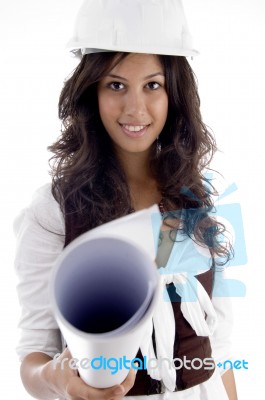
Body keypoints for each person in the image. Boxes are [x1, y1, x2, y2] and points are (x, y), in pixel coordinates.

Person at [14, 0, 238, 399]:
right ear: (91, 92)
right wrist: (57, 379)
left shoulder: (196, 196)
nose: (135, 109)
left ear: (175, 93)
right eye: (116, 85)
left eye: (153, 85)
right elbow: (33, 354)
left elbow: (219, 346)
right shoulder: (54, 211)